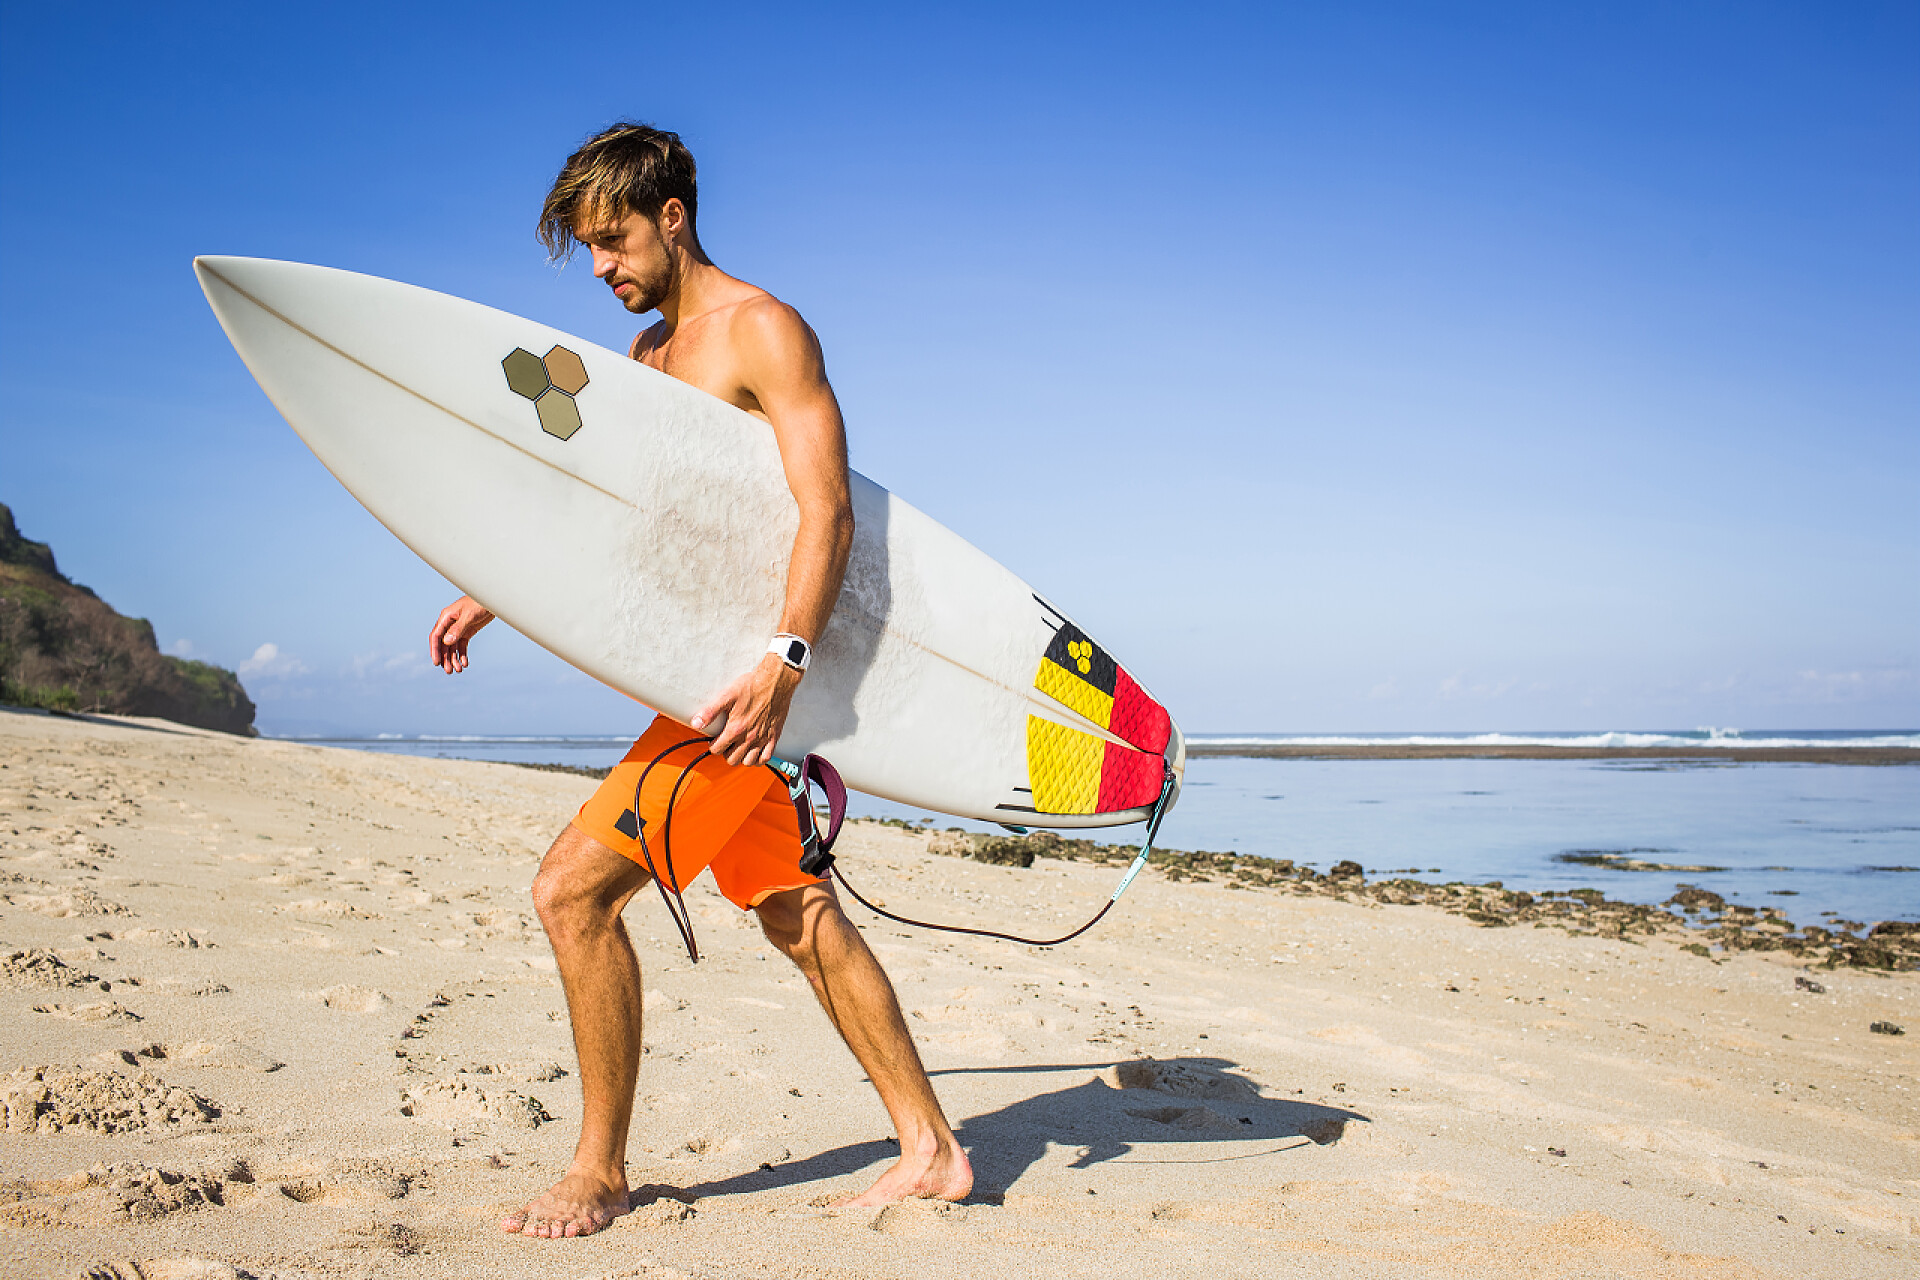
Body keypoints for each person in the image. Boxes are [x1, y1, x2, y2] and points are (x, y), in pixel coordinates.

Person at [427, 123, 972, 1239]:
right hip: (705, 685)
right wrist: (496, 590)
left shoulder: (763, 330)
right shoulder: (647, 362)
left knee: (572, 893)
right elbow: (616, 520)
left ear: (671, 216)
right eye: (587, 248)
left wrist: (786, 666)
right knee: (795, 907)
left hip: (741, 693)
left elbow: (829, 510)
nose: (602, 267)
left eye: (613, 239)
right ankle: (931, 1146)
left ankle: (599, 1168)